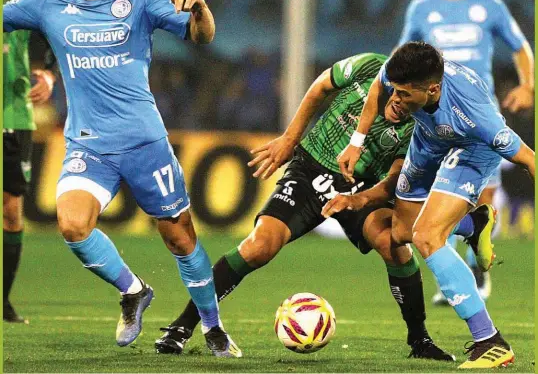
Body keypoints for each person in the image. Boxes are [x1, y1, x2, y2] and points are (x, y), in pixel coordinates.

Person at [3, 0, 241, 357]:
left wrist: (202, 11)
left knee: (180, 237)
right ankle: (133, 291)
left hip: (145, 142)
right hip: (88, 145)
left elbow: (200, 36)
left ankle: (212, 327)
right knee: (72, 225)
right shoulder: (47, 4)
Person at [155, 52, 473, 362]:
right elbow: (321, 85)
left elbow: (392, 183)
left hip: (363, 187)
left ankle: (419, 339)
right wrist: (290, 139)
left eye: (408, 99)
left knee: (394, 244)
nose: (400, 103)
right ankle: (182, 326)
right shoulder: (369, 67)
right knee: (260, 246)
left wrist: (358, 199)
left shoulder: (423, 128)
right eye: (397, 93)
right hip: (311, 169)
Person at [336, 42, 535, 368]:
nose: (395, 99)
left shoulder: (477, 118)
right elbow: (379, 85)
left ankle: (490, 341)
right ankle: (473, 224)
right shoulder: (404, 74)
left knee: (428, 236)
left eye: (403, 95)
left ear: (432, 89)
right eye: (395, 92)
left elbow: (529, 159)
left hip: (471, 149)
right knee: (401, 231)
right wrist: (356, 143)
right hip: (429, 139)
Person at [398, 0, 534, 303]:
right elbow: (401, 56)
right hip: (431, 118)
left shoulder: (489, 6)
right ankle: (454, 269)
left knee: (479, 196)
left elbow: (521, 47)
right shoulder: (421, 9)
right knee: (428, 198)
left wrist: (528, 85)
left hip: (478, 115)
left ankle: (478, 275)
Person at [3, 0, 57, 324]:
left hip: (14, 110)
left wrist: (48, 73)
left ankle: (2, 301)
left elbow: (54, 33)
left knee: (11, 209)